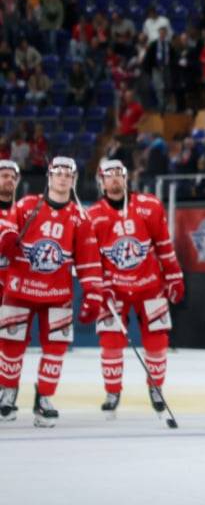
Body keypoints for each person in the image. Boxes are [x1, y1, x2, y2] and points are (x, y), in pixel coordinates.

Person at [0, 158, 105, 427]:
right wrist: (5, 237)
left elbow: (89, 261)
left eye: (68, 174)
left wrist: (93, 293)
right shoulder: (26, 205)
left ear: (74, 180)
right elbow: (7, 225)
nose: (62, 177)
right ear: (49, 176)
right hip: (20, 288)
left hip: (58, 294)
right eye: (58, 172)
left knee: (56, 348)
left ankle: (44, 397)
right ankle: (7, 393)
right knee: (10, 344)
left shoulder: (80, 217)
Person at [87, 160, 185, 420]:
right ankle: (112, 392)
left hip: (149, 284)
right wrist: (101, 286)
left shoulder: (149, 206)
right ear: (101, 182)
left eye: (119, 174)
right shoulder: (93, 215)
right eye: (109, 176)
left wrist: (174, 276)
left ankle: (156, 388)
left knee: (157, 339)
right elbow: (91, 259)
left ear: (126, 178)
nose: (115, 179)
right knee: (110, 340)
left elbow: (164, 244)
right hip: (115, 288)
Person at [0, 160, 20, 297]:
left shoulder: (22, 213)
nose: (10, 180)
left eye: (13, 177)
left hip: (13, 291)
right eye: (5, 176)